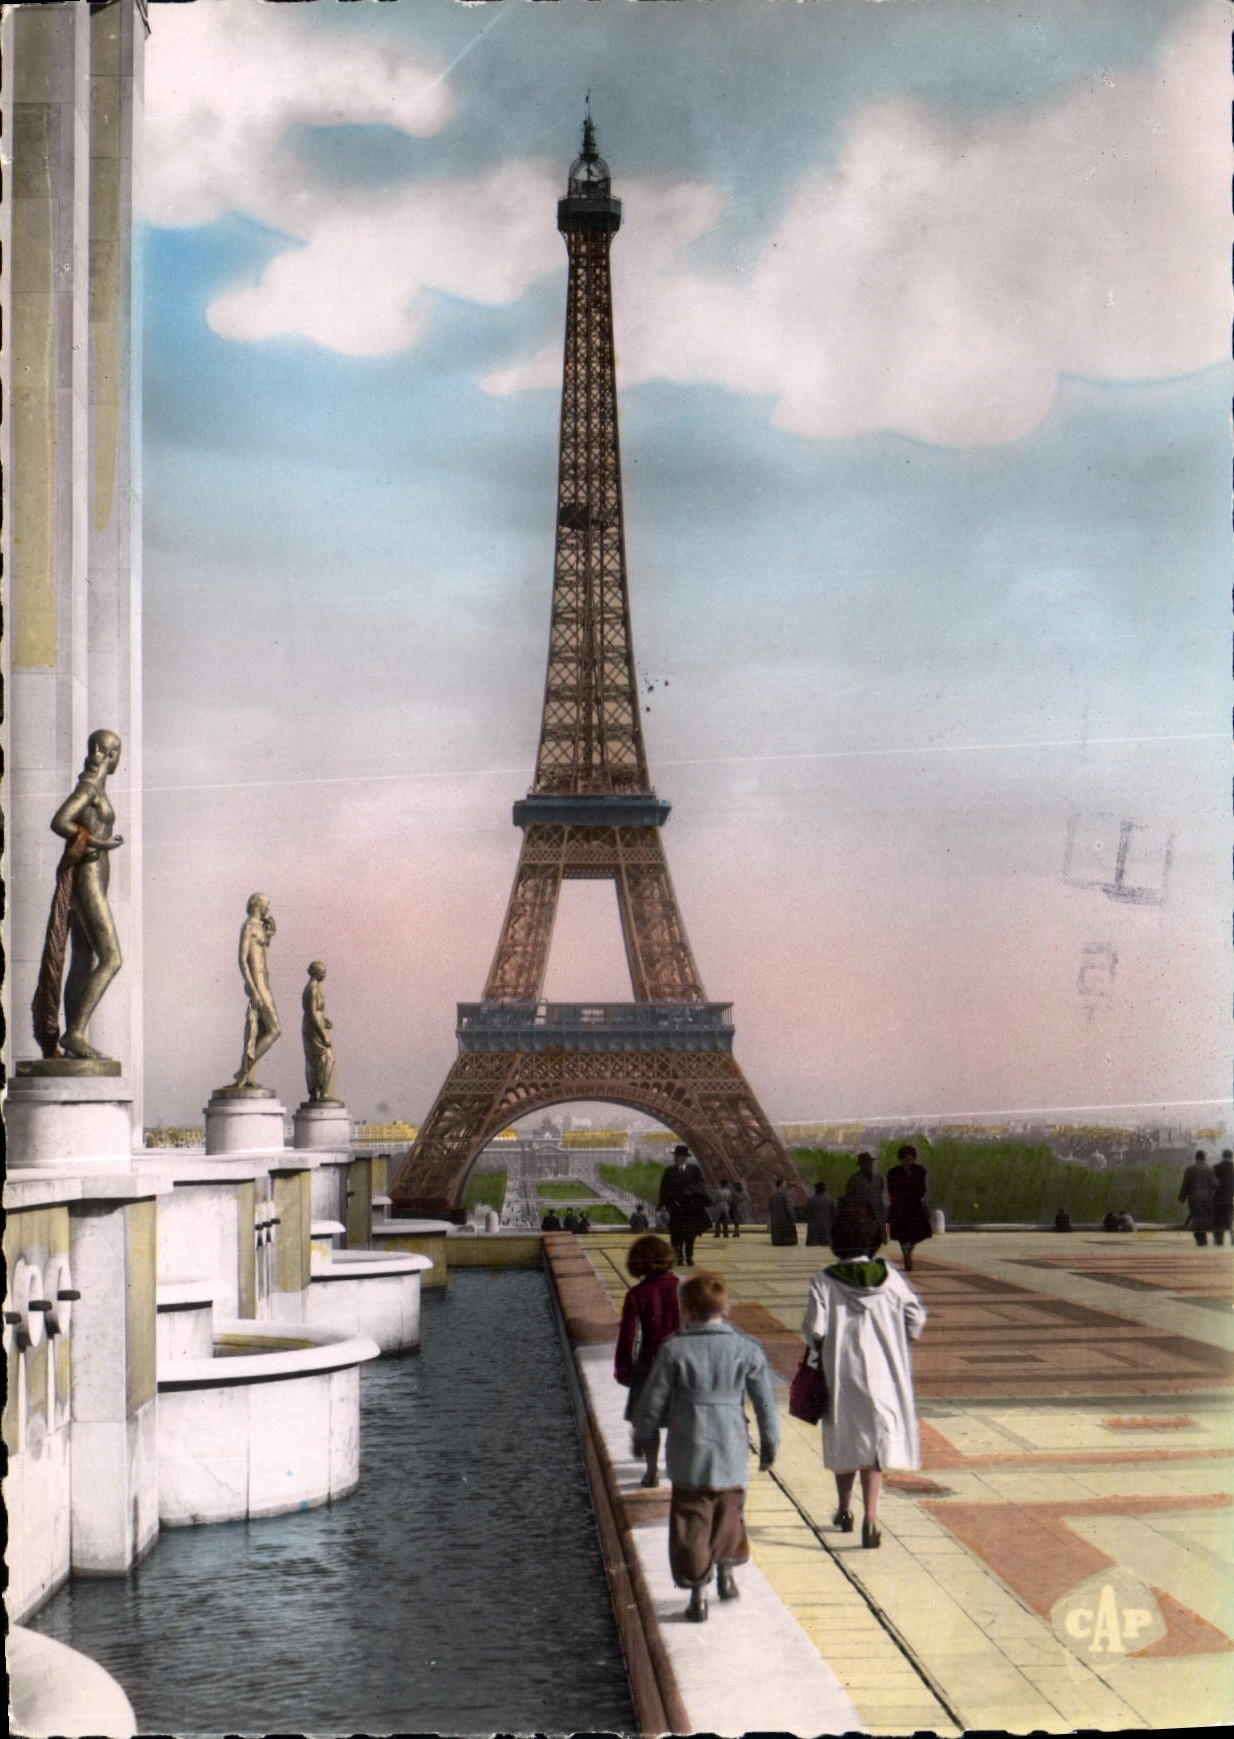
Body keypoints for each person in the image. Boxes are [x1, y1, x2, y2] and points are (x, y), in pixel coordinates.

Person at [636, 1271, 779, 1622]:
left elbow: (651, 1402)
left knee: (691, 1521)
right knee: (729, 1513)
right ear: (726, 1307)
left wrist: (643, 1434)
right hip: (730, 1445)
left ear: (685, 1309)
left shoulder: (673, 1350)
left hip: (689, 1449)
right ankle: (727, 1577)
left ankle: (698, 1595)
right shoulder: (747, 1349)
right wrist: (770, 1442)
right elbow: (764, 1404)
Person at [801, 1199, 926, 1551]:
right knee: (876, 1447)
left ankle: (844, 1509)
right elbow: (915, 1319)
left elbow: (815, 1329)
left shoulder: (823, 1281)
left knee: (845, 1438)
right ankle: (871, 1516)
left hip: (840, 1372)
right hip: (885, 1373)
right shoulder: (891, 1278)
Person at [34, 729, 125, 1061]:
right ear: (107, 753)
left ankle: (75, 1035)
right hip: (87, 878)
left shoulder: (95, 787)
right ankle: (75, 1032)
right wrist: (98, 843)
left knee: (84, 957)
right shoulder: (88, 788)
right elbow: (60, 821)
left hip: (95, 879)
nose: (118, 760)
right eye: (117, 753)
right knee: (112, 957)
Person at [614, 1235, 680, 1488]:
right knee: (676, 1419)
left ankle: (651, 1471)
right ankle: (673, 1469)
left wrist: (623, 1369)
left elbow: (627, 1335)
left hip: (649, 1364)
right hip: (679, 1366)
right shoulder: (682, 1287)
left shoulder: (636, 1294)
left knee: (647, 1421)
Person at [233, 893, 280, 1089]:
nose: (268, 909)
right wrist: (253, 989)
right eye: (266, 905)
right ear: (257, 905)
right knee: (275, 1029)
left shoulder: (258, 927)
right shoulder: (249, 926)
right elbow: (242, 959)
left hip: (264, 982)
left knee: (261, 1029)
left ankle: (247, 1074)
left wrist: (270, 935)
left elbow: (261, 952)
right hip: (258, 985)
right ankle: (243, 1070)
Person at [658, 1145, 712, 1267]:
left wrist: (690, 1191)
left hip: (690, 1209)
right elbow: (663, 1189)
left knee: (690, 1235)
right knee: (675, 1235)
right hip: (675, 1208)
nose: (677, 1159)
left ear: (685, 1158)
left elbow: (701, 1186)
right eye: (676, 1156)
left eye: (680, 1157)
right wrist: (662, 1204)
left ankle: (688, 1256)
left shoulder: (695, 1170)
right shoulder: (669, 1171)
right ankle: (679, 1256)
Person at [886, 1144, 932, 1272]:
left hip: (914, 1206)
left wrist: (915, 1195)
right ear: (902, 1159)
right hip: (900, 1206)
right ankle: (906, 1255)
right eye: (906, 1159)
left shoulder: (919, 1171)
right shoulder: (894, 1172)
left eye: (911, 1159)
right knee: (902, 1234)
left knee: (917, 1233)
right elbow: (891, 1189)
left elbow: (922, 1188)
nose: (909, 1161)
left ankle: (908, 1250)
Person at [301, 961, 338, 1103]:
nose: (325, 974)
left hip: (315, 1025)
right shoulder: (312, 989)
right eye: (323, 971)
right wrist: (323, 1035)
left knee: (316, 1061)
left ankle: (316, 1093)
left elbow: (316, 1013)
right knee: (328, 1058)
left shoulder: (313, 988)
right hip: (313, 1028)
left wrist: (324, 1021)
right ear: (316, 972)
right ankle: (323, 1093)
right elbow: (311, 1013)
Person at [1179, 1150, 1216, 1247]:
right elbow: (1215, 1185)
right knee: (1203, 1218)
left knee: (1197, 1217)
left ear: (1196, 1158)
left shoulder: (1189, 1169)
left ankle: (1200, 1239)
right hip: (1207, 1199)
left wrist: (1181, 1197)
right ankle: (1202, 1239)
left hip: (1194, 1199)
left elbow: (1185, 1185)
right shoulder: (1210, 1170)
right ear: (1204, 1158)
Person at [844, 1152, 889, 1230]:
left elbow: (879, 1197)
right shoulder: (854, 1180)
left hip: (877, 1218)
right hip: (860, 1218)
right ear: (861, 1165)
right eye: (865, 1163)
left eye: (869, 1162)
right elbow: (849, 1199)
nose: (868, 1165)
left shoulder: (879, 1179)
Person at [768, 1176, 799, 1246]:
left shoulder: (772, 1195)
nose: (785, 1185)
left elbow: (771, 1207)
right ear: (781, 1184)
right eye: (784, 1183)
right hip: (785, 1220)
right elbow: (788, 1207)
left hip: (775, 1221)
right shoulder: (784, 1194)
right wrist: (793, 1217)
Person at [804, 1180, 836, 1248]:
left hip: (813, 1231)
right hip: (826, 1230)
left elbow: (806, 1213)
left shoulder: (811, 1200)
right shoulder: (829, 1200)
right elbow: (833, 1214)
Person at [1212, 1150, 1234, 1248]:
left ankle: (1218, 1240)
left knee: (1218, 1220)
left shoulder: (1216, 1167)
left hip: (1218, 1198)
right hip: (1230, 1198)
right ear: (1231, 1156)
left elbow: (1212, 1183)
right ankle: (1233, 1238)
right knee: (1230, 1219)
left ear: (1222, 1156)